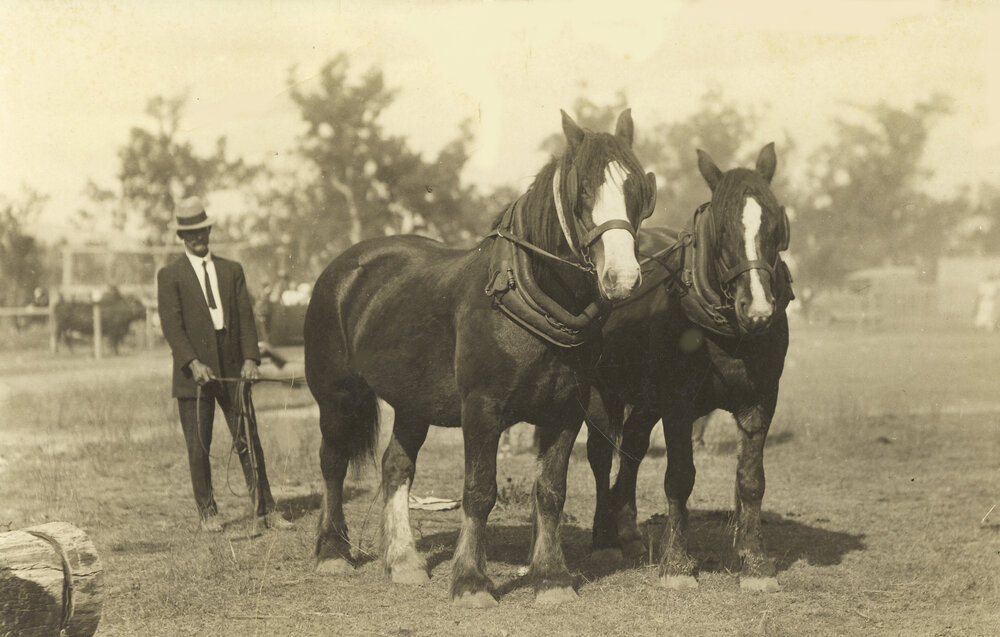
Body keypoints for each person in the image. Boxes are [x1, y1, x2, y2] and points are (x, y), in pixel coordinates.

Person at [157, 197, 292, 532]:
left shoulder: (232, 270)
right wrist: (192, 362)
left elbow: (246, 318)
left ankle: (265, 509)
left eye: (202, 230)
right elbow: (172, 327)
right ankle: (208, 512)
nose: (198, 237)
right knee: (198, 444)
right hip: (195, 373)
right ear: (181, 236)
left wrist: (250, 358)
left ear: (209, 230)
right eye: (190, 233)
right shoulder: (170, 276)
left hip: (233, 365)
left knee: (248, 438)